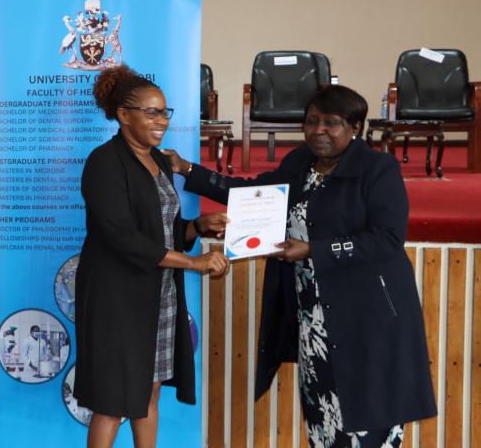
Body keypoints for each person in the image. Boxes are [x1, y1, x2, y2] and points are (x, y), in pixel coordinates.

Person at [163, 85, 436, 447]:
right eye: (311, 121)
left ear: (355, 126)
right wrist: (187, 169)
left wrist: (313, 250)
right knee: (323, 412)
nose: (318, 130)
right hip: (314, 314)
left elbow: (387, 238)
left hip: (368, 314)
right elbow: (249, 195)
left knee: (367, 414)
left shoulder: (377, 167)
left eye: (331, 123)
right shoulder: (299, 162)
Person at [74, 65, 231, 448]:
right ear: (123, 115)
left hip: (157, 294)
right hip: (116, 297)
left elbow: (164, 228)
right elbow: (122, 237)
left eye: (164, 112)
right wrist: (192, 263)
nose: (161, 120)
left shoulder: (160, 160)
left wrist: (199, 227)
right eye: (151, 112)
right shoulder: (104, 162)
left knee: (149, 391)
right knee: (112, 403)